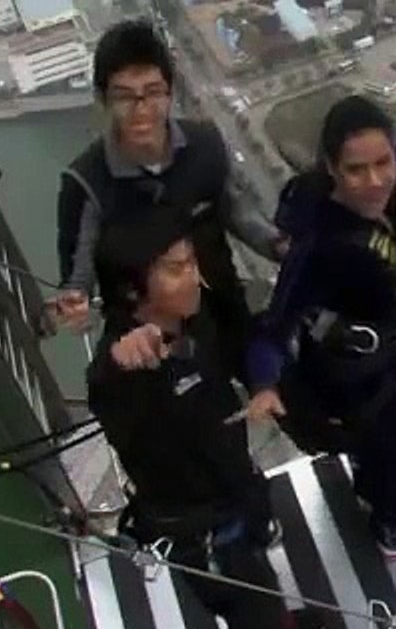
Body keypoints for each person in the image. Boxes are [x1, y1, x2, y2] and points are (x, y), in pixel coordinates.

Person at [86, 204, 367, 629]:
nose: (194, 278)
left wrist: (264, 388)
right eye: (177, 269)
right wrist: (117, 359)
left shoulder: (196, 323)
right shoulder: (127, 373)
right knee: (247, 605)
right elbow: (107, 387)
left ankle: (278, 626)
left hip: (237, 488)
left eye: (192, 262)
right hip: (201, 527)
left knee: (258, 580)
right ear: (133, 291)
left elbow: (242, 348)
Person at [245, 95, 396, 557]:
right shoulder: (322, 244)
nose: (375, 180)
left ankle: (378, 469)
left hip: (384, 347)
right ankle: (395, 528)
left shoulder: (378, 187)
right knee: (388, 442)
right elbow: (275, 324)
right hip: (354, 371)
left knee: (390, 431)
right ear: (332, 169)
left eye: (382, 163)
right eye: (356, 170)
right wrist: (264, 384)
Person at [55, 19, 285, 377]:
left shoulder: (206, 145)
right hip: (151, 349)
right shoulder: (85, 184)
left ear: (170, 92)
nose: (141, 108)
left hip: (226, 317)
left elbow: (241, 215)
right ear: (102, 100)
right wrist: (74, 307)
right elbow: (76, 280)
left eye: (153, 92)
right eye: (125, 97)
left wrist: (285, 247)